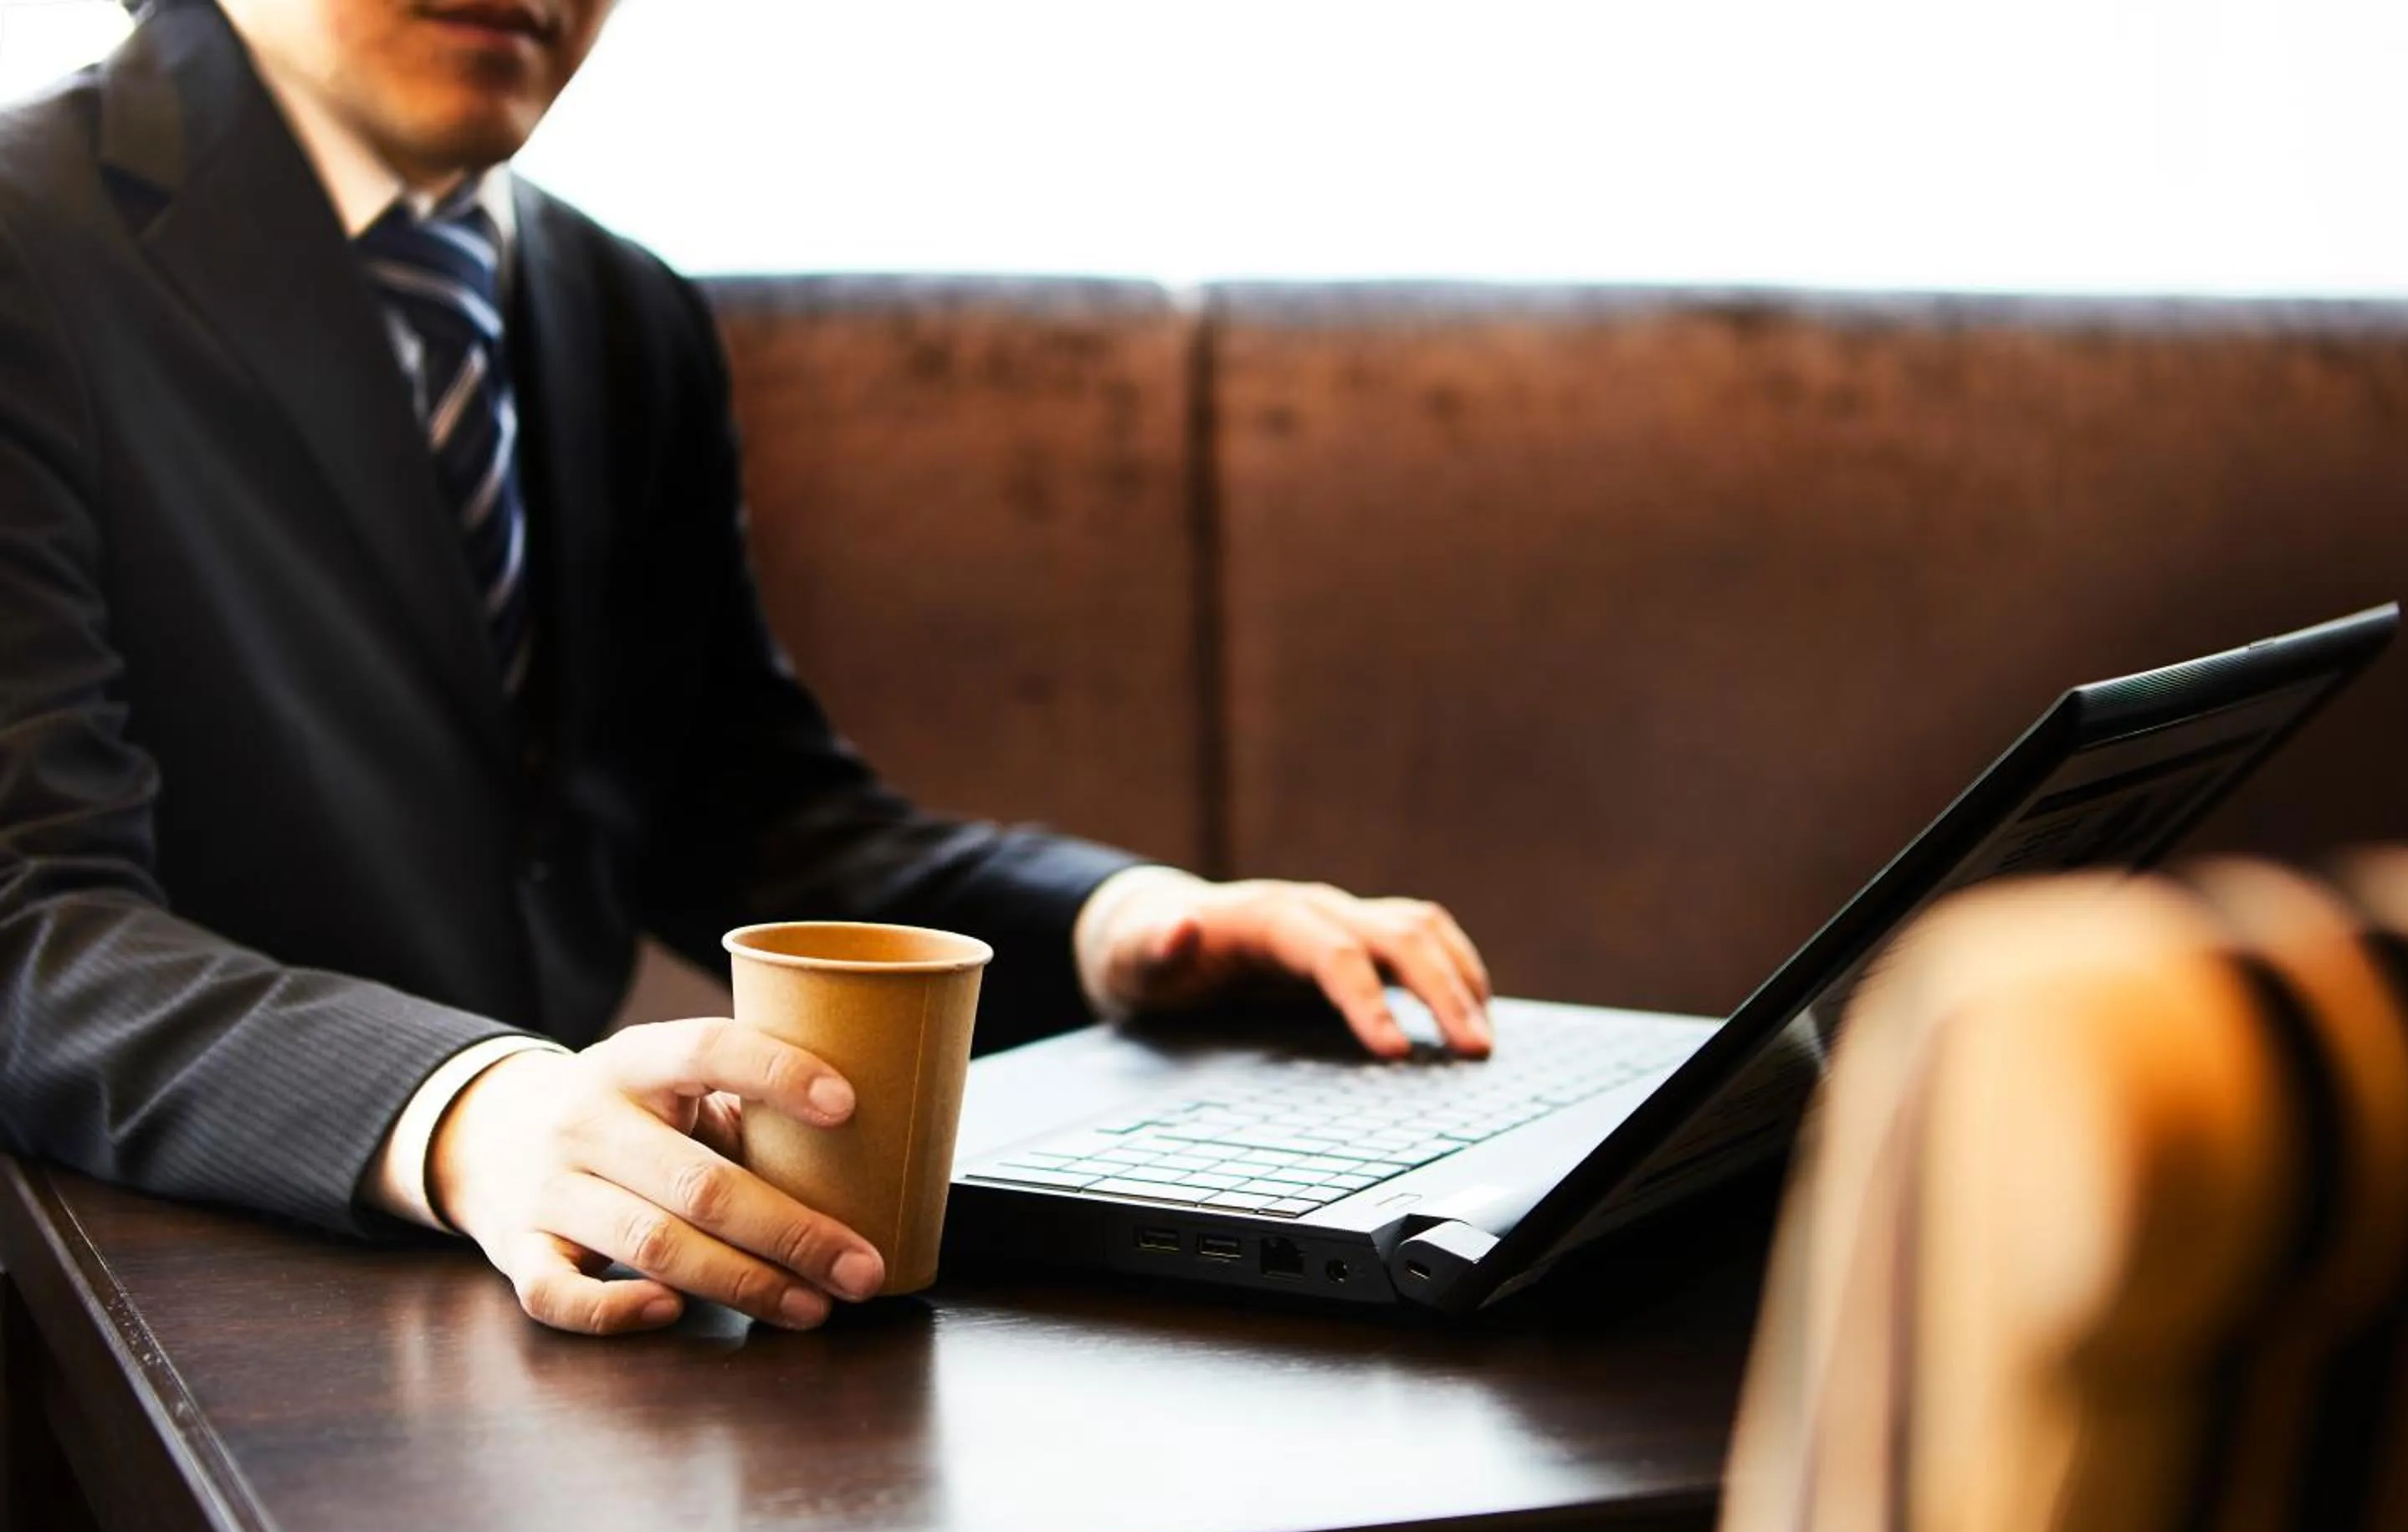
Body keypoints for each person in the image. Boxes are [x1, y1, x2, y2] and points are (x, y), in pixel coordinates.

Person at [0, 0, 1493, 1336]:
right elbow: (29, 918)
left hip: (558, 1289)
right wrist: (468, 1110)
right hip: (141, 1289)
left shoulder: (618, 307)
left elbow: (743, 812)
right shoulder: (26, 237)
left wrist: (1126, 924)